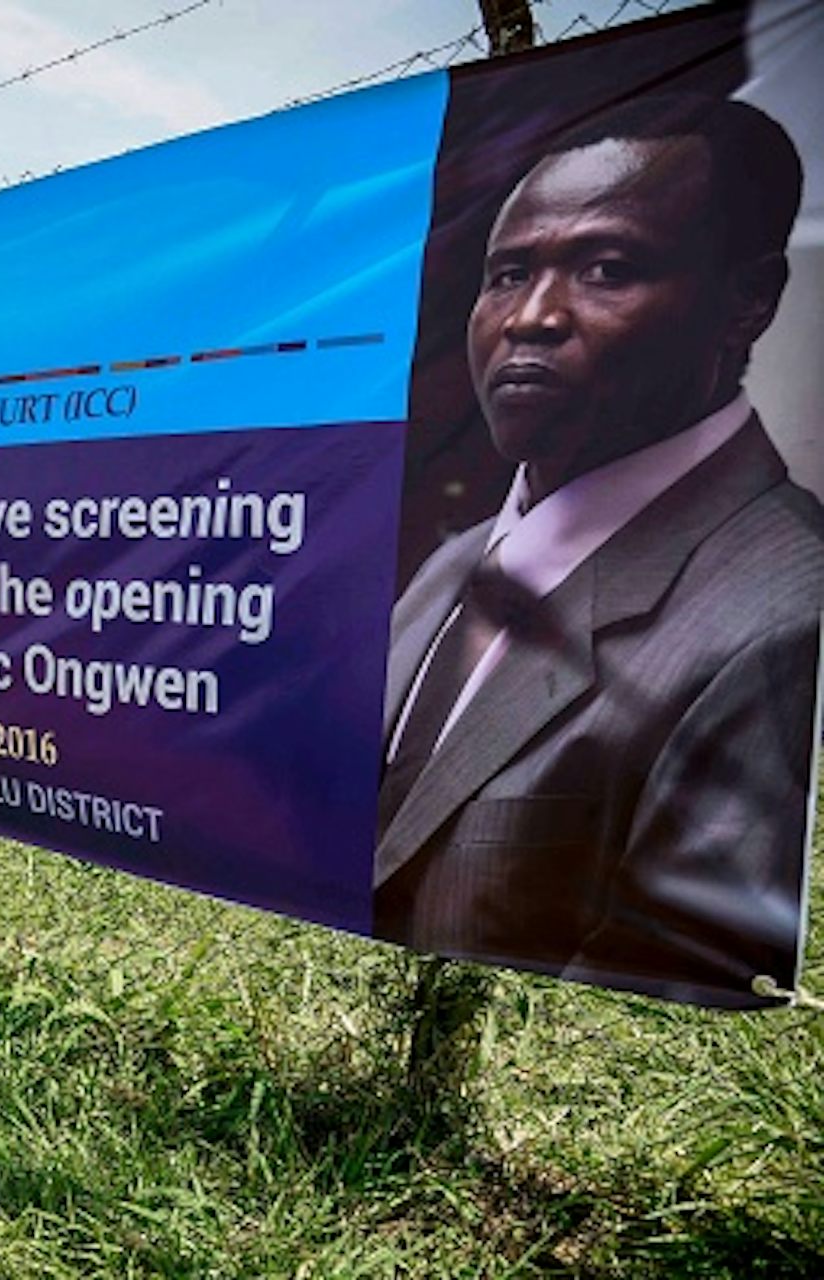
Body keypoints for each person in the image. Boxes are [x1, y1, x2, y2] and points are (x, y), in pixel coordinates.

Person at [373, 95, 824, 1007]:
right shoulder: (448, 574)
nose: (530, 318)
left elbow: (662, 1023)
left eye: (607, 268)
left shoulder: (782, 619)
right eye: (506, 275)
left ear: (748, 301)